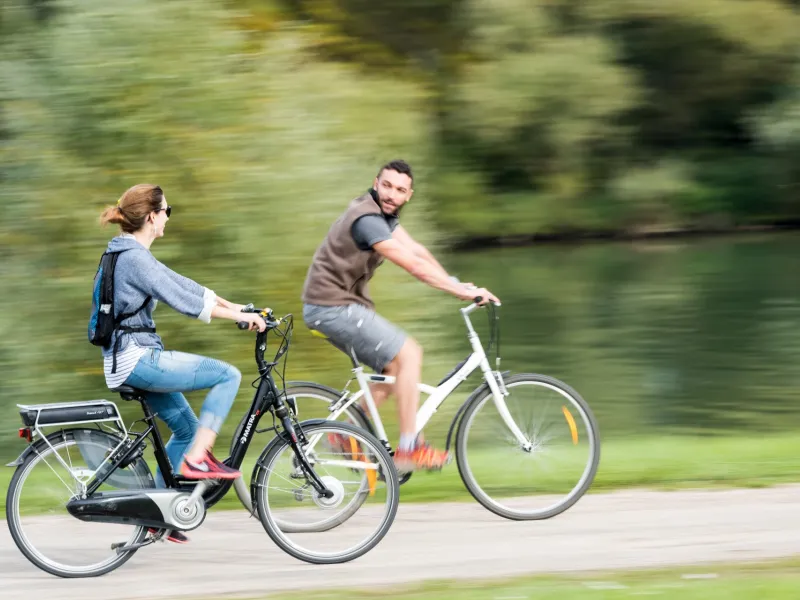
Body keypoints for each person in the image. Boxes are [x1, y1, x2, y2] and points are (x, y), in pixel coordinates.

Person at [301, 160, 500, 472]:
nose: (392, 194)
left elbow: (417, 251)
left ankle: (344, 438)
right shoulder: (367, 219)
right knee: (410, 354)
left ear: (409, 195)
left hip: (333, 306)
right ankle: (410, 447)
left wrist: (454, 281)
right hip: (331, 307)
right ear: (376, 183)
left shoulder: (383, 215)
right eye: (387, 186)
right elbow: (411, 265)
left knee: (394, 369)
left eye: (400, 190)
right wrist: (457, 292)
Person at [95, 183, 266, 543]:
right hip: (136, 358)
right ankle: (198, 461)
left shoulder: (126, 251)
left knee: (188, 431)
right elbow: (184, 302)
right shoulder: (134, 258)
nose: (168, 218)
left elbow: (184, 285)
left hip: (125, 358)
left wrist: (240, 309)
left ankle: (158, 517)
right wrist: (235, 318)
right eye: (167, 212)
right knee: (227, 375)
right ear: (153, 216)